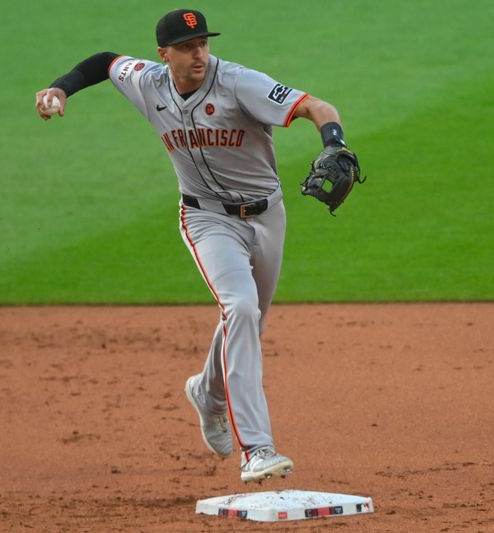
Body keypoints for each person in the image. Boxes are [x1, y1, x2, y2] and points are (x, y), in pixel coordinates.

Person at [35, 8, 359, 483]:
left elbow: (318, 107)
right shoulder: (147, 82)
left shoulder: (239, 83)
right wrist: (60, 88)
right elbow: (105, 61)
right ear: (163, 55)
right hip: (205, 218)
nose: (199, 54)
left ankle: (207, 394)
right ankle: (257, 450)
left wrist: (334, 143)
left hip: (267, 216)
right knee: (241, 308)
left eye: (203, 43)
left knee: (250, 319)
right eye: (187, 47)